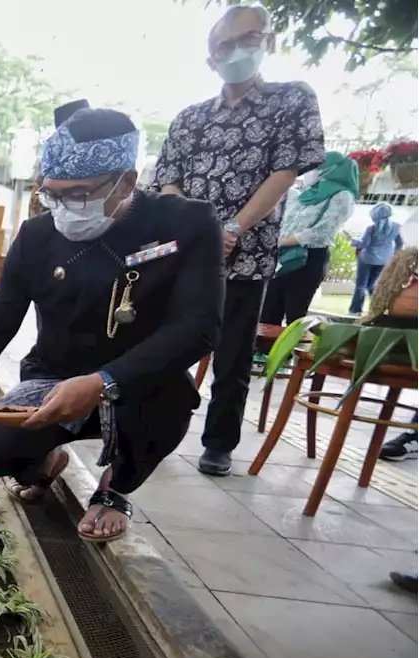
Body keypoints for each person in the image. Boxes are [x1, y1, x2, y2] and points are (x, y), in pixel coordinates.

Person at [0, 108, 224, 543]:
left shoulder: (186, 223)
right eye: (52, 195)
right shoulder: (37, 237)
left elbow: (199, 328)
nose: (63, 209)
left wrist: (103, 381)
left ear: (126, 181)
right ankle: (45, 462)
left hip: (142, 382)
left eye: (79, 194)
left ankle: (114, 487)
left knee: (171, 403)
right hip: (55, 377)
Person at [154, 2, 325, 477]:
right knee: (165, 342)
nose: (237, 52)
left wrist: (232, 229)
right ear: (211, 58)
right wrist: (191, 229)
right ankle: (155, 425)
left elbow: (285, 171)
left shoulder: (291, 100)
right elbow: (168, 179)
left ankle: (219, 443)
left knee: (231, 355)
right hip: (185, 255)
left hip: (246, 254)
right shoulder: (190, 118)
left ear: (267, 41)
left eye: (249, 39)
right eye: (224, 46)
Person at [260, 152, 358, 325]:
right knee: (268, 309)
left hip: (308, 258)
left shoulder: (342, 196)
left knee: (295, 312)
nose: (311, 171)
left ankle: (290, 351)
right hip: (282, 256)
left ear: (332, 169)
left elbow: (321, 232)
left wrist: (283, 242)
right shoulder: (303, 194)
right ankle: (263, 351)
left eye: (317, 167)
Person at [350, 203, 405, 314]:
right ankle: (377, 308)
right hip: (384, 260)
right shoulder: (398, 227)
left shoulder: (371, 229)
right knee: (373, 285)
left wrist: (352, 240)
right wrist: (393, 255)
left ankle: (355, 310)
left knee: (361, 285)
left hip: (366, 259)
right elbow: (400, 244)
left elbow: (363, 245)